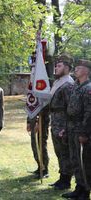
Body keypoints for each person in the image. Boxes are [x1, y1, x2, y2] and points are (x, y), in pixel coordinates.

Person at [62, 59, 91, 200]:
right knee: (75, 159)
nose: (76, 70)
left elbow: (89, 113)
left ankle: (86, 191)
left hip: (82, 130)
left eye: (79, 68)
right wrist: (66, 129)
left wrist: (84, 133)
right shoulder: (75, 86)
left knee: (84, 162)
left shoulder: (88, 88)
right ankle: (78, 188)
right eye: (76, 68)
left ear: (86, 71)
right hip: (72, 127)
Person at [48, 54, 74, 189]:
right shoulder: (58, 82)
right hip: (56, 122)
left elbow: (71, 107)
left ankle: (66, 180)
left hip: (63, 124)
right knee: (59, 152)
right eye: (56, 65)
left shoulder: (68, 84)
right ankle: (62, 177)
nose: (56, 68)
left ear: (67, 67)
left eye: (59, 66)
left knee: (65, 152)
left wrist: (66, 127)